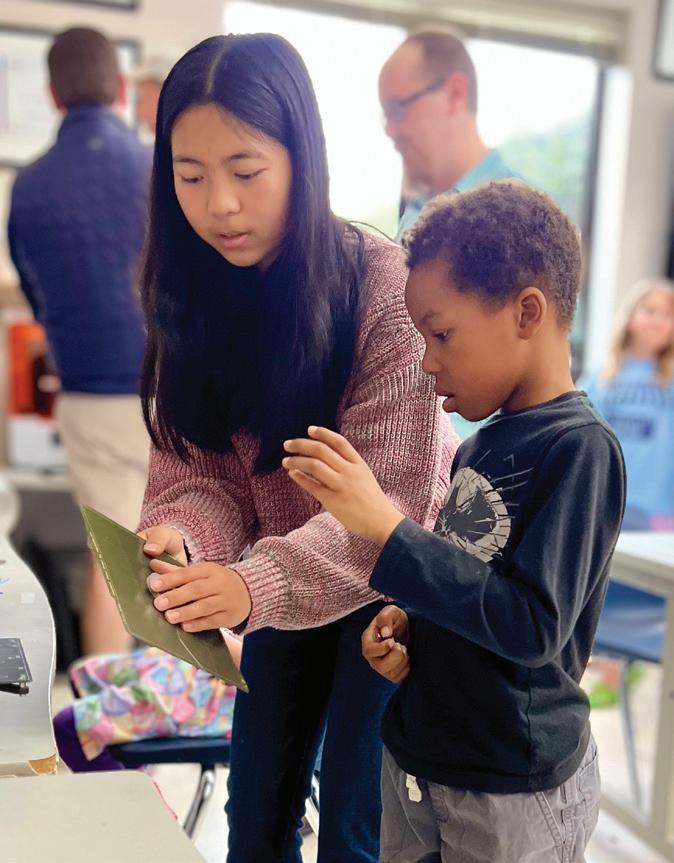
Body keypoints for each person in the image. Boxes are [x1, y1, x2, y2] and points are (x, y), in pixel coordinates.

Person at [134, 33, 455, 863]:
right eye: (190, 176)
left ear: (302, 159)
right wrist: (183, 539)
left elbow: (390, 506)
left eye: (246, 171)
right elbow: (202, 474)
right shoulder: (191, 293)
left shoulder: (384, 286)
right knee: (256, 808)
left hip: (392, 588)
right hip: (282, 580)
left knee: (355, 821)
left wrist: (248, 584)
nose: (220, 206)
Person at [281, 181, 626, 862]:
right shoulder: (476, 446)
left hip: (510, 783)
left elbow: (531, 625)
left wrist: (389, 528)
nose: (427, 361)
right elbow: (471, 584)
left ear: (527, 312)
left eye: (441, 335)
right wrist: (412, 624)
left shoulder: (580, 450)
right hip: (422, 758)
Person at [8, 27, 152, 654]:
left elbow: (38, 301)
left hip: (90, 395)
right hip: (172, 387)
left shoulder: (29, 185)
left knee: (113, 562)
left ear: (51, 93)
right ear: (120, 87)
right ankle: (191, 705)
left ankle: (108, 712)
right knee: (193, 556)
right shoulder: (159, 167)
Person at [379, 29, 517, 239]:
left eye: (397, 109)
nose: (389, 130)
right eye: (386, 115)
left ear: (455, 94)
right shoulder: (415, 211)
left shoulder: (520, 219)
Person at [582, 277, 674, 531]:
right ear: (630, 317)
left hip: (658, 511)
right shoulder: (601, 376)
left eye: (668, 315)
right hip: (606, 502)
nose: (658, 320)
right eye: (650, 311)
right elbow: (586, 438)